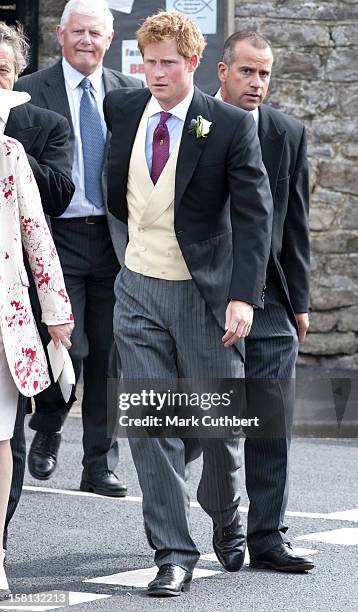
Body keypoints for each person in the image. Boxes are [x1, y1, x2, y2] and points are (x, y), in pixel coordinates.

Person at [104, 10, 273, 597]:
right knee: (151, 426)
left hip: (205, 297)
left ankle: (228, 516)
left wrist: (242, 299)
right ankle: (173, 552)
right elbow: (117, 192)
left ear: (193, 63)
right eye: (148, 63)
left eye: (167, 64)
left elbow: (254, 220)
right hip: (139, 288)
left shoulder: (227, 124)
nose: (154, 74)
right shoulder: (122, 109)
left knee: (220, 427)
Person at [16, 0, 143, 496]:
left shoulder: (129, 92)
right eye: (79, 32)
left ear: (110, 40)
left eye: (97, 33)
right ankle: (47, 425)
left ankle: (99, 464)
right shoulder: (28, 92)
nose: (88, 41)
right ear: (60, 34)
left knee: (109, 355)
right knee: (61, 345)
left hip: (112, 239)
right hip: (55, 237)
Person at [217, 30, 313, 572]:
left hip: (271, 296)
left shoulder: (287, 132)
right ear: (223, 71)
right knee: (209, 422)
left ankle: (268, 535)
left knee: (270, 415)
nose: (257, 82)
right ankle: (218, 524)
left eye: (265, 73)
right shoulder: (196, 122)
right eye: (248, 71)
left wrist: (298, 300)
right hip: (208, 293)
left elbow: (294, 222)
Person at [0, 21, 75, 553]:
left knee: (3, 438)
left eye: (0, 71)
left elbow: (39, 235)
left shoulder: (17, 147)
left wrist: (56, 312)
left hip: (8, 309)